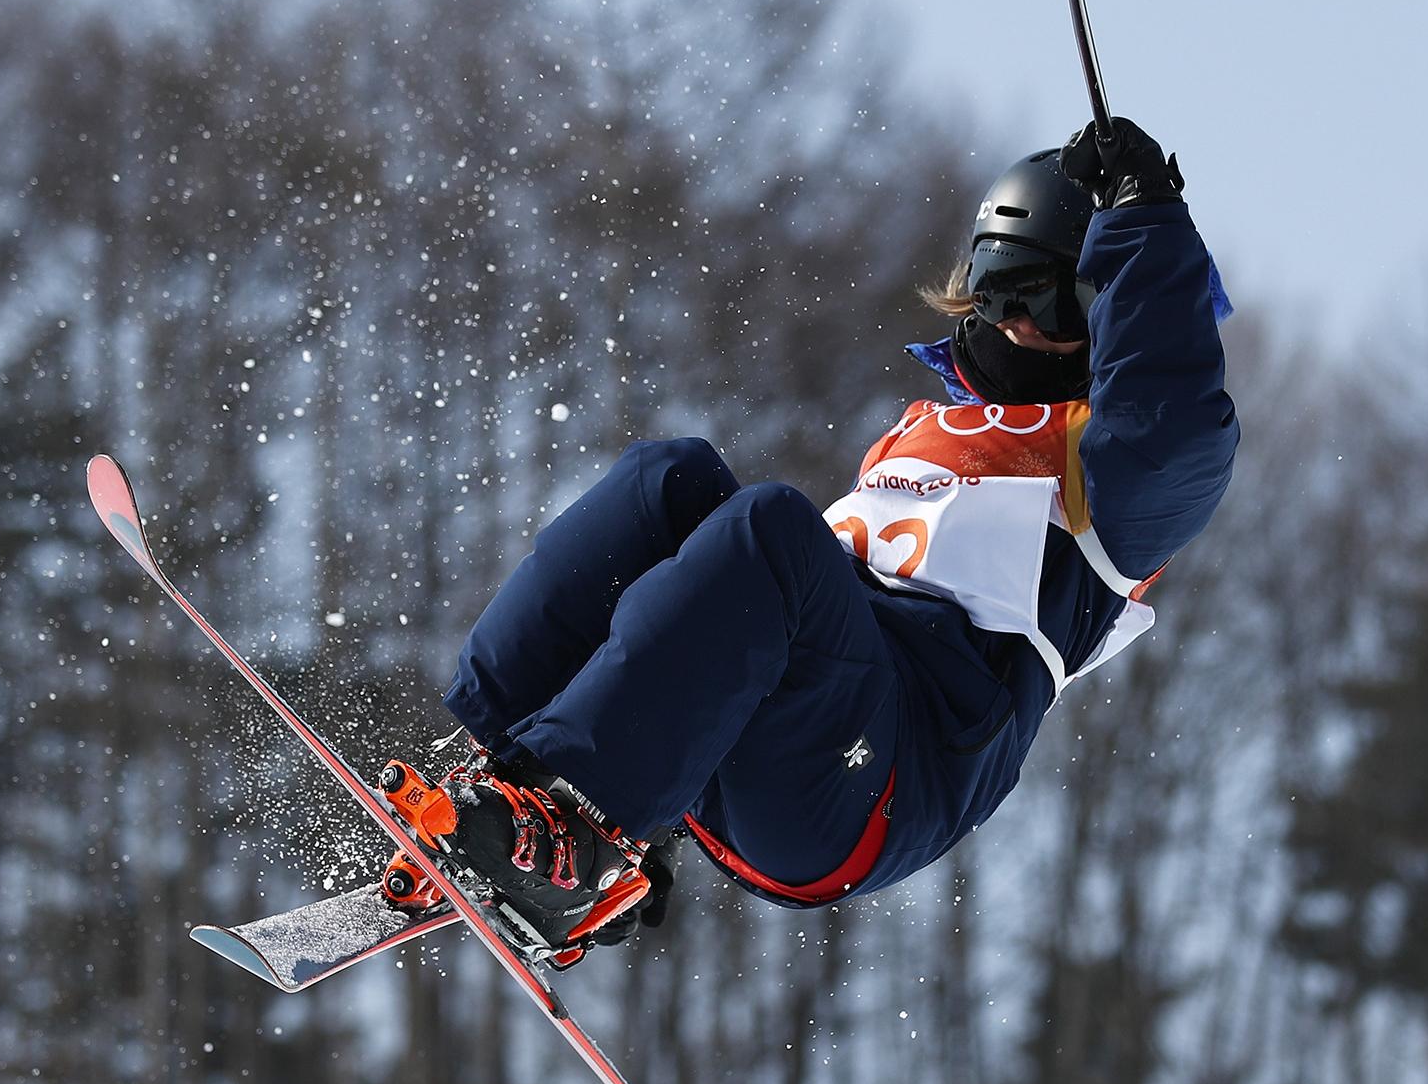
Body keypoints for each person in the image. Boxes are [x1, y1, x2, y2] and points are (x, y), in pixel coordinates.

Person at [393, 118, 1239, 965]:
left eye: (1049, 301)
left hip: (883, 782)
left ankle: (579, 838)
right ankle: (496, 780)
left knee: (774, 531)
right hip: (762, 727)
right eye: (998, 289)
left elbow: (1172, 427)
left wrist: (1147, 227)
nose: (1015, 322)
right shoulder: (928, 430)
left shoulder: (1105, 479)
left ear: (1107, 319)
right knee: (671, 480)